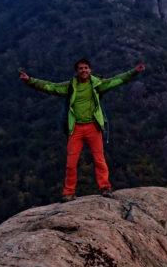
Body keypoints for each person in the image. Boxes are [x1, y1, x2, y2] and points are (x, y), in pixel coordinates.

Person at [20, 59, 145, 201]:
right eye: (80, 68)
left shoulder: (97, 85)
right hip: (76, 128)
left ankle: (105, 187)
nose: (83, 70)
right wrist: (29, 80)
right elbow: (50, 87)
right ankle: (68, 192)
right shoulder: (70, 86)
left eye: (86, 68)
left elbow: (117, 80)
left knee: (99, 159)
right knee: (71, 163)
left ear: (90, 70)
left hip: (93, 127)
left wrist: (134, 72)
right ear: (76, 71)